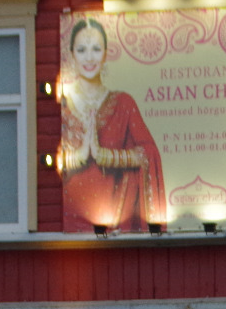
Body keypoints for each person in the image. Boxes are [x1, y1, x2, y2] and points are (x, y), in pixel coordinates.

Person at [59, 17, 167, 232]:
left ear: (106, 54)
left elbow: (149, 153)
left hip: (116, 219)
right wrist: (80, 155)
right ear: (71, 55)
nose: (89, 58)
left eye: (96, 49)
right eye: (81, 50)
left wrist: (105, 155)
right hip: (70, 220)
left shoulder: (123, 103)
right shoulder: (62, 104)